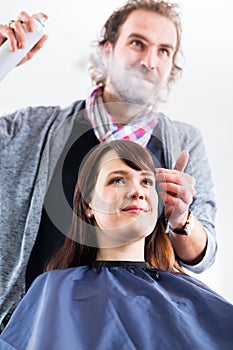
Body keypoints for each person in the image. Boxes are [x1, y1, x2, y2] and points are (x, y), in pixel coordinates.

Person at [0, 0, 217, 331]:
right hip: (30, 330)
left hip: (135, 331)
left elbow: (204, 253)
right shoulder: (32, 129)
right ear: (106, 50)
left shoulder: (184, 144)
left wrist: (182, 219)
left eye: (163, 51)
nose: (149, 61)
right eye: (137, 43)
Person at [0, 140, 231, 350]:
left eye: (147, 182)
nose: (137, 192)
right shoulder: (52, 291)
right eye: (118, 180)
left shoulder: (189, 296)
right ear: (89, 205)